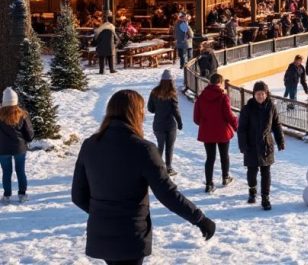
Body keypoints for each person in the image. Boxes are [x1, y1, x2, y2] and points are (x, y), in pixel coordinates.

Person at [72, 90, 216, 264]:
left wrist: (103, 213)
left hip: (101, 232)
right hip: (130, 235)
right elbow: (167, 194)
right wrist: (199, 219)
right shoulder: (143, 149)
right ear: (136, 113)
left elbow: (78, 195)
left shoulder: (90, 145)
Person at [238, 81, 285, 210]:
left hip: (266, 145)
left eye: (263, 94)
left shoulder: (271, 107)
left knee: (266, 172)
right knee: (252, 172)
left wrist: (280, 141)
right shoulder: (247, 109)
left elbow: (276, 125)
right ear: (254, 94)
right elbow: (241, 129)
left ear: (266, 94)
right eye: (258, 94)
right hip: (251, 145)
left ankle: (265, 197)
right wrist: (242, 145)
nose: (260, 96)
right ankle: (252, 190)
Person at [193, 73, 238, 193]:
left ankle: (209, 184)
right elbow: (228, 115)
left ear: (209, 83)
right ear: (221, 83)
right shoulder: (223, 97)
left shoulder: (201, 97)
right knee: (224, 156)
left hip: (207, 132)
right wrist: (236, 126)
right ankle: (225, 177)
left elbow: (196, 118)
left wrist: (205, 124)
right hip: (222, 131)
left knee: (210, 158)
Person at [147, 70, 183, 177]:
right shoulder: (172, 93)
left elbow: (150, 108)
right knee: (169, 147)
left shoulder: (154, 92)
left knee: (160, 146)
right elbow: (175, 110)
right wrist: (179, 122)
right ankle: (169, 167)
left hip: (158, 124)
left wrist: (158, 110)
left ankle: (157, 167)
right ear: (171, 81)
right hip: (170, 124)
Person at [0, 87, 33, 203]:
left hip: (2, 149)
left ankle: (7, 196)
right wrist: (28, 140)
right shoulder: (22, 115)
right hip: (19, 148)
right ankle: (22, 194)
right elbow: (29, 133)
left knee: (6, 172)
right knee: (20, 171)